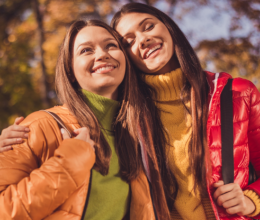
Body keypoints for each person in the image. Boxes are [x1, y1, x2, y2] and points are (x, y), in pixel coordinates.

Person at [2, 3, 260, 220]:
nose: (143, 39)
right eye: (128, 41)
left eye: (148, 26)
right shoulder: (119, 121)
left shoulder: (234, 95)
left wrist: (251, 201)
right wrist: (60, 156)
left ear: (168, 27)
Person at [0, 19, 170, 220]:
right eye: (86, 50)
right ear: (70, 71)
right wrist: (70, 161)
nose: (102, 54)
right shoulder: (39, 126)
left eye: (111, 46)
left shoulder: (140, 135)